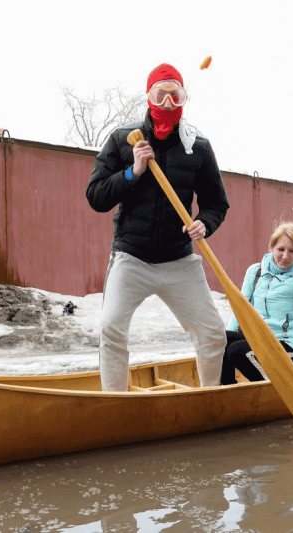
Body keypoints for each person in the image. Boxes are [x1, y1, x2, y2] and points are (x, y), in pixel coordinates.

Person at [86, 63, 230, 392]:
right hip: (131, 258)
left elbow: (216, 204)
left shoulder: (199, 147)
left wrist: (204, 223)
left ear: (184, 98)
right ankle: (115, 405)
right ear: (148, 97)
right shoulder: (123, 140)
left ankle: (210, 399)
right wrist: (132, 172)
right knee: (111, 329)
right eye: (159, 95)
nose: (167, 104)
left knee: (212, 334)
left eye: (174, 96)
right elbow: (95, 196)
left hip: (179, 260)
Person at [220, 222, 293, 385]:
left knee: (237, 351)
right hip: (261, 339)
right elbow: (240, 309)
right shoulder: (255, 271)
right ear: (271, 247)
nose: (286, 256)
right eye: (281, 249)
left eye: (292, 251)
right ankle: (227, 389)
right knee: (221, 339)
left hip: (288, 347)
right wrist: (228, 337)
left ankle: (274, 389)